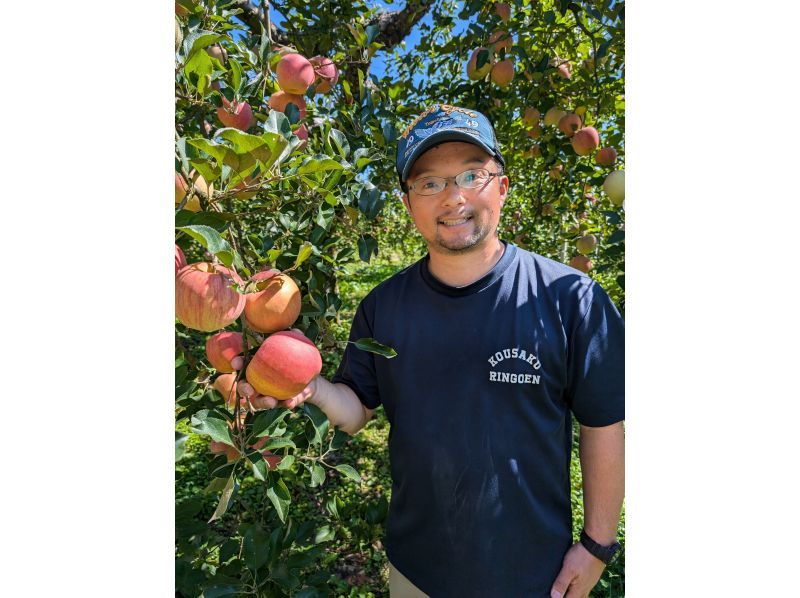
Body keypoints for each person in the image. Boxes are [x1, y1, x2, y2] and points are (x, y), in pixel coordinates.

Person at [244, 104, 625, 597]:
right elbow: (357, 409)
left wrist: (597, 546)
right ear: (408, 203)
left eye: (472, 174)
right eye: (429, 183)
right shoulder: (383, 308)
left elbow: (603, 425)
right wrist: (309, 385)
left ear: (502, 187)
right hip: (416, 572)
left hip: (535, 576)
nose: (454, 196)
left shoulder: (571, 299)